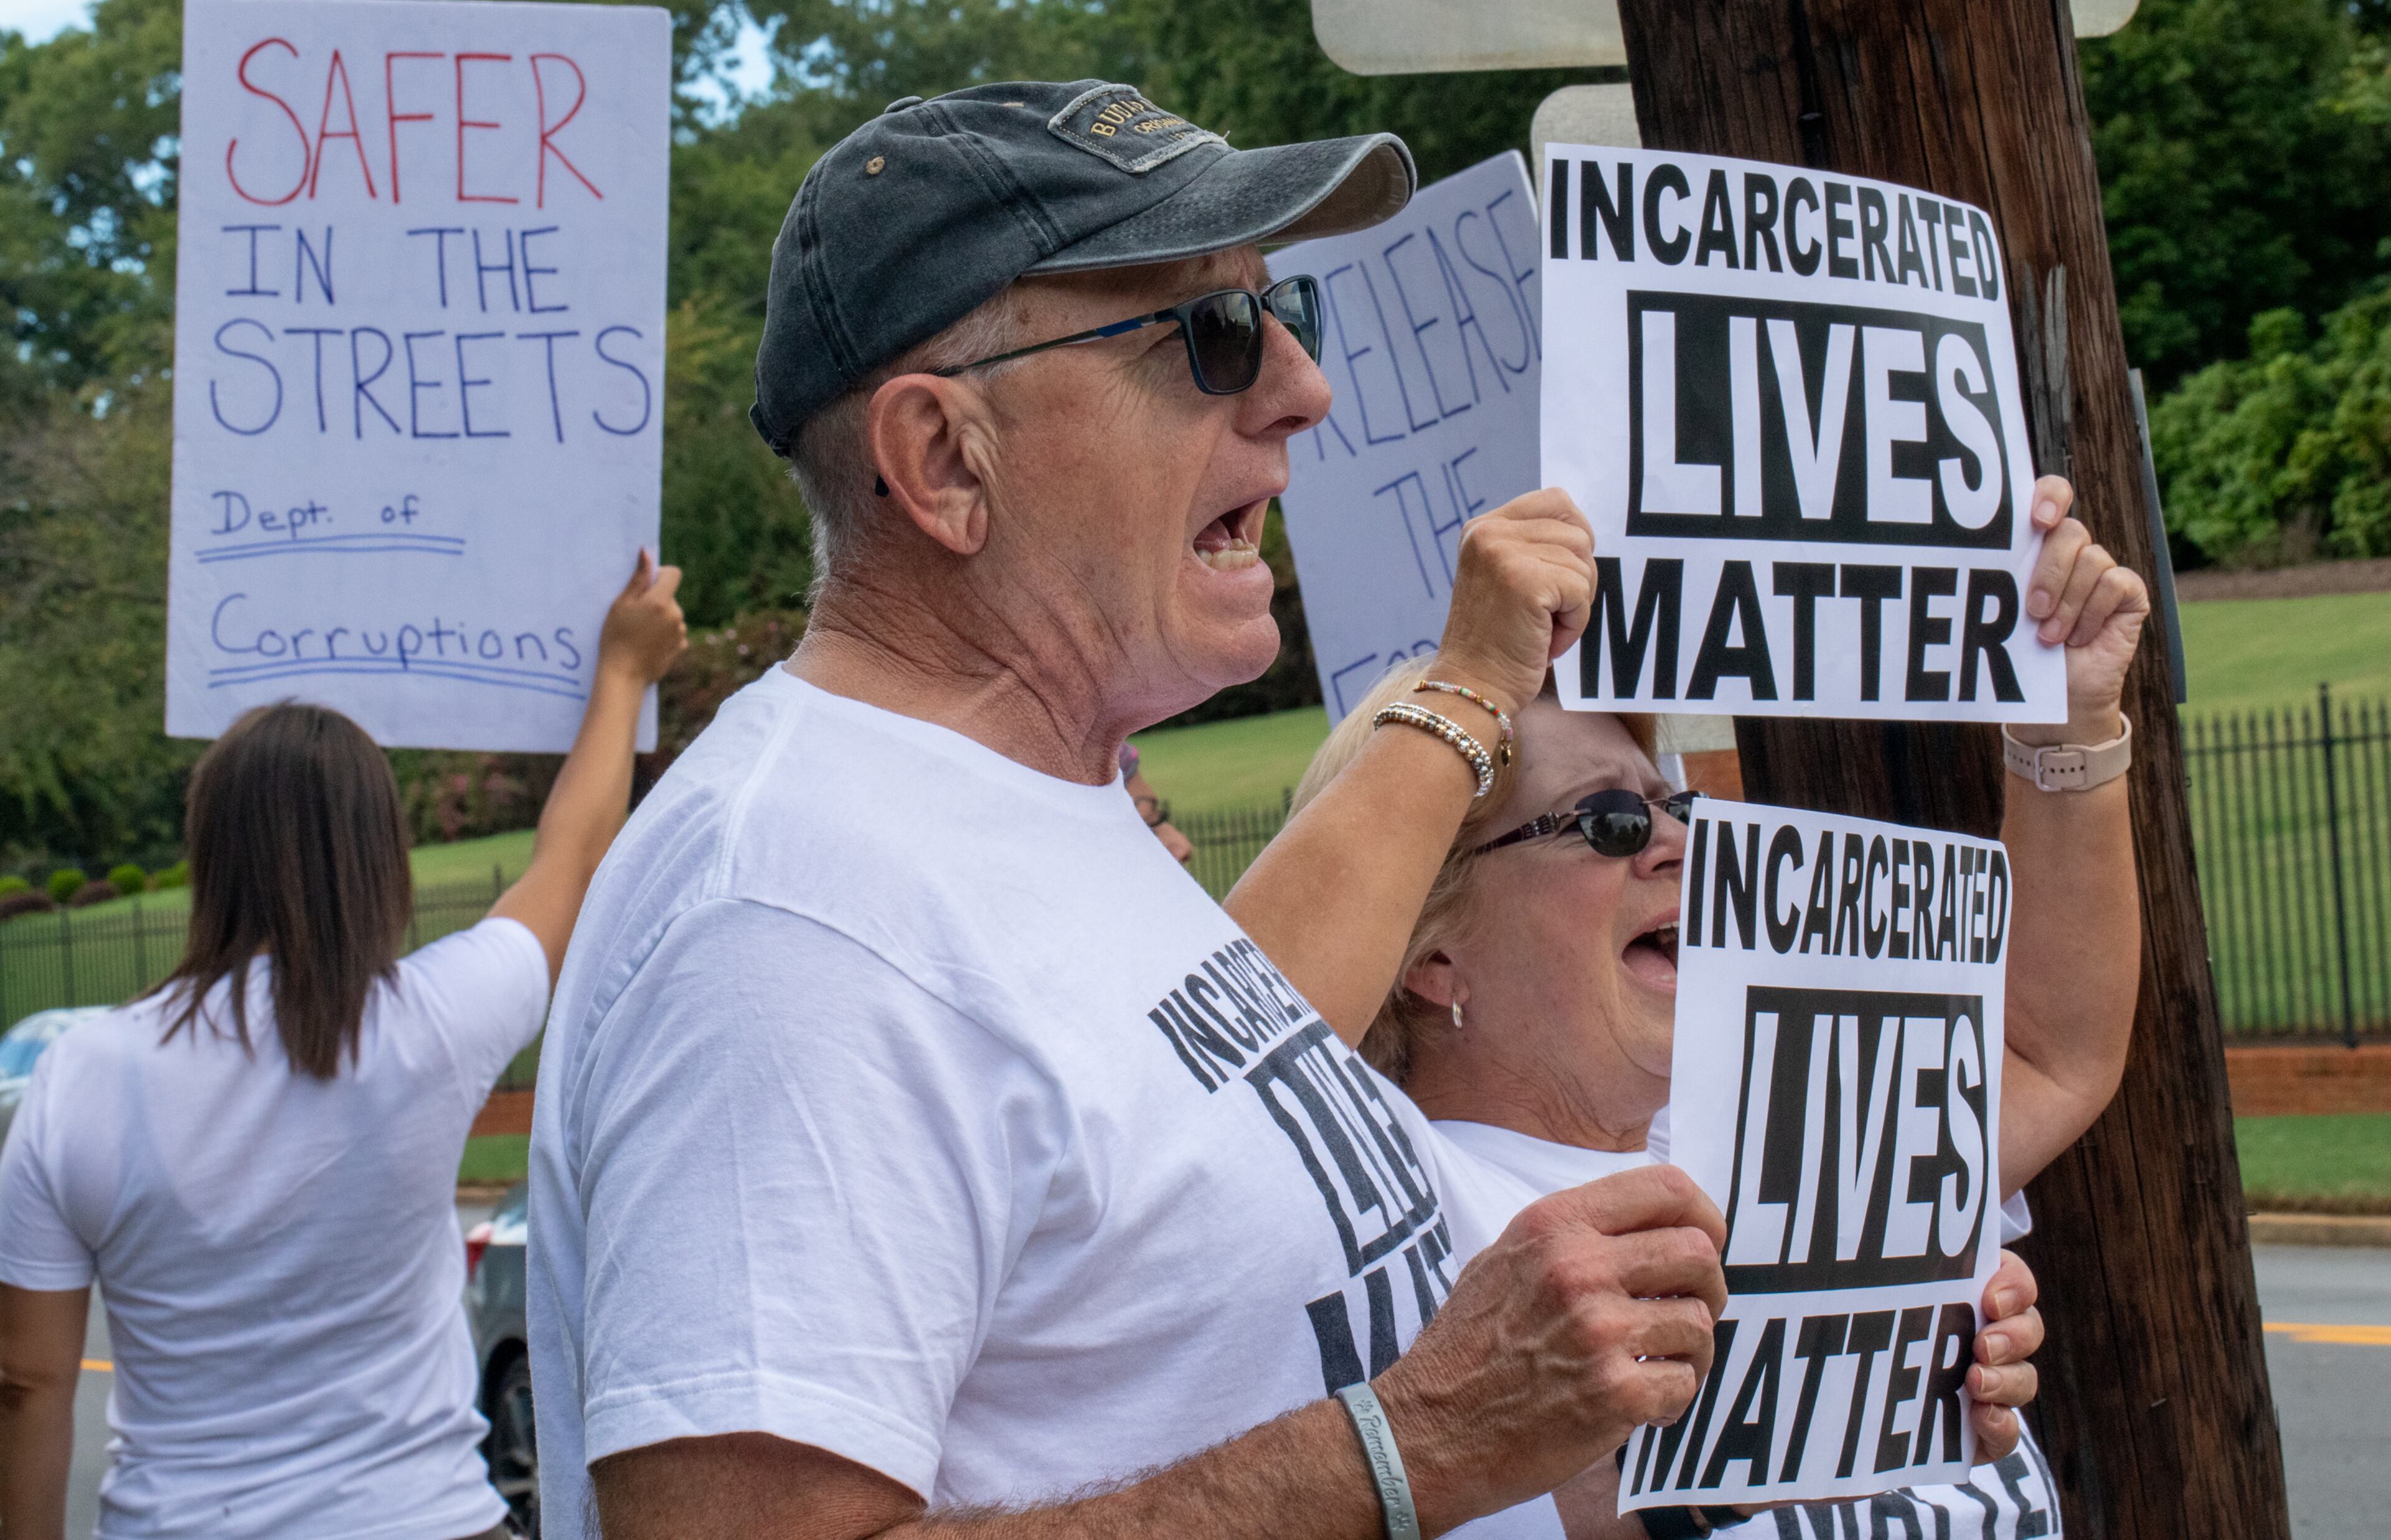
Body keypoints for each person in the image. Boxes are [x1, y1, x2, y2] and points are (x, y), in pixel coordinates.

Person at [527, 80, 1757, 1540]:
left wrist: (1760, 1378)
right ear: (943, 459)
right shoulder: (793, 922)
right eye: (1211, 334)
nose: (1302, 385)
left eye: (1280, 308)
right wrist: (1418, 1441)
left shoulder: (1035, 807)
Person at [1234, 480, 2147, 1537]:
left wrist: (2071, 726)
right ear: (1431, 949)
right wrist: (1474, 680)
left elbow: (2046, 1057)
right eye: (1610, 822)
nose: (1681, 844)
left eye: (1679, 807)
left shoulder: (1787, 1124)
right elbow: (1229, 1068)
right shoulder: (1401, 1217)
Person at [0, 552, 687, 1540]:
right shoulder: (427, 1026)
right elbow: (569, 859)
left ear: (209, 852)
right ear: (378, 860)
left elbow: (27, 1382)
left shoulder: (83, 1077)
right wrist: (622, 674)